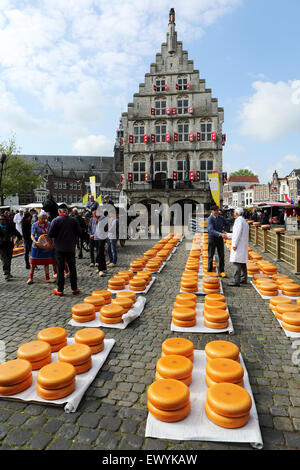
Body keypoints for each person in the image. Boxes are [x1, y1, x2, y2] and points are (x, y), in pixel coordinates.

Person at [48, 203, 82, 296]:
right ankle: (74, 288)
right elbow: (79, 232)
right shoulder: (73, 220)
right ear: (67, 211)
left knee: (60, 268)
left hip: (59, 248)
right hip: (71, 247)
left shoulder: (55, 220)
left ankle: (60, 289)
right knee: (72, 268)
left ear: (59, 211)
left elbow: (50, 234)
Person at [27, 212, 56, 285]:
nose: (44, 220)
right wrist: (35, 241)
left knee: (46, 261)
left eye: (45, 218)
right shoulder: (34, 225)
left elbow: (52, 234)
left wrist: (52, 242)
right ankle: (31, 278)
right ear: (38, 218)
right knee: (33, 262)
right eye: (42, 219)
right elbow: (32, 235)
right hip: (37, 244)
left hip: (46, 244)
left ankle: (47, 278)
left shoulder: (48, 224)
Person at [225, 207, 250, 286]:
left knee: (237, 263)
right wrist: (227, 235)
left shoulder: (238, 221)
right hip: (243, 244)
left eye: (234, 212)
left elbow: (237, 234)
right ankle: (244, 278)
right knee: (242, 262)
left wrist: (234, 244)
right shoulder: (244, 221)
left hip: (239, 244)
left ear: (237, 213)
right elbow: (237, 233)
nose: (233, 214)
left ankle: (236, 281)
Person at [207, 205, 229, 277]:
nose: (216, 212)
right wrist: (220, 234)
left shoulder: (221, 218)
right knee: (211, 255)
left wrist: (225, 231)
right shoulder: (209, 219)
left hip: (220, 239)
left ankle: (221, 271)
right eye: (215, 210)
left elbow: (227, 224)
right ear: (212, 211)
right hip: (212, 238)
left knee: (221, 255)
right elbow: (211, 230)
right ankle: (210, 271)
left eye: (217, 210)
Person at [0, 214, 22, 281]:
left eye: (3, 219)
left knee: (9, 259)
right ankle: (6, 273)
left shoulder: (9, 226)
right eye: (0, 219)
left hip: (9, 245)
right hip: (1, 246)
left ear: (5, 220)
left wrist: (19, 238)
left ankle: (8, 272)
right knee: (4, 260)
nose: (1, 221)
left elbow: (16, 232)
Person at [95, 209, 108, 277]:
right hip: (97, 238)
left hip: (101, 238)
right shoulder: (98, 219)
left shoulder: (103, 219)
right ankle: (104, 268)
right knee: (101, 253)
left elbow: (106, 229)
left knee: (99, 254)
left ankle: (100, 269)